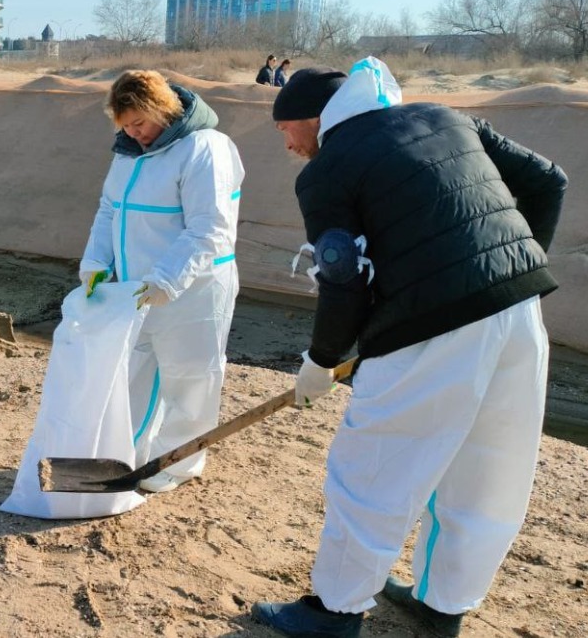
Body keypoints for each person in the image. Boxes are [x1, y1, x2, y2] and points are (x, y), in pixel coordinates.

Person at [252, 57, 566, 637]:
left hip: (430, 331)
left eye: (284, 128)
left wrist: (321, 360)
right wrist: (505, 272)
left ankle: (335, 612)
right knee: (487, 469)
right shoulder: (444, 117)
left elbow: (343, 275)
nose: (285, 141)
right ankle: (443, 604)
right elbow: (550, 180)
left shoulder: (328, 171)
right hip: (521, 314)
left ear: (314, 120)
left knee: (372, 469)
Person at [79, 70, 244, 493]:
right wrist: (97, 260)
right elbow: (108, 208)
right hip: (134, 289)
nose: (135, 134)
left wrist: (168, 280)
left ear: (162, 110)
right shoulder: (128, 153)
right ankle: (125, 456)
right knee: (133, 370)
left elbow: (210, 228)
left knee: (191, 375)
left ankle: (179, 462)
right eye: (126, 127)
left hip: (195, 288)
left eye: (140, 123)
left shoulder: (206, 149)